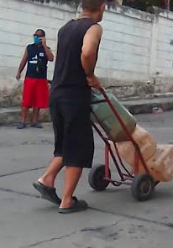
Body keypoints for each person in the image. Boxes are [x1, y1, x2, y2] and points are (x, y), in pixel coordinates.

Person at [32, 0, 105, 214]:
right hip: (74, 94)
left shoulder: (65, 28)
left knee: (66, 143)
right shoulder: (94, 27)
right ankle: (67, 201)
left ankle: (47, 179)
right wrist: (90, 76)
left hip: (56, 92)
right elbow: (87, 52)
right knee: (79, 146)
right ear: (101, 7)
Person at [16, 29, 54, 129]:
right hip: (30, 78)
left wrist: (44, 45)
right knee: (27, 100)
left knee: (38, 101)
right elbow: (24, 61)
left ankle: (35, 121)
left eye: (38, 36)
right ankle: (23, 121)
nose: (36, 37)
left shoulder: (46, 49)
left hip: (41, 79)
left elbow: (51, 58)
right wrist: (19, 72)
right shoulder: (29, 48)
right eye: (35, 35)